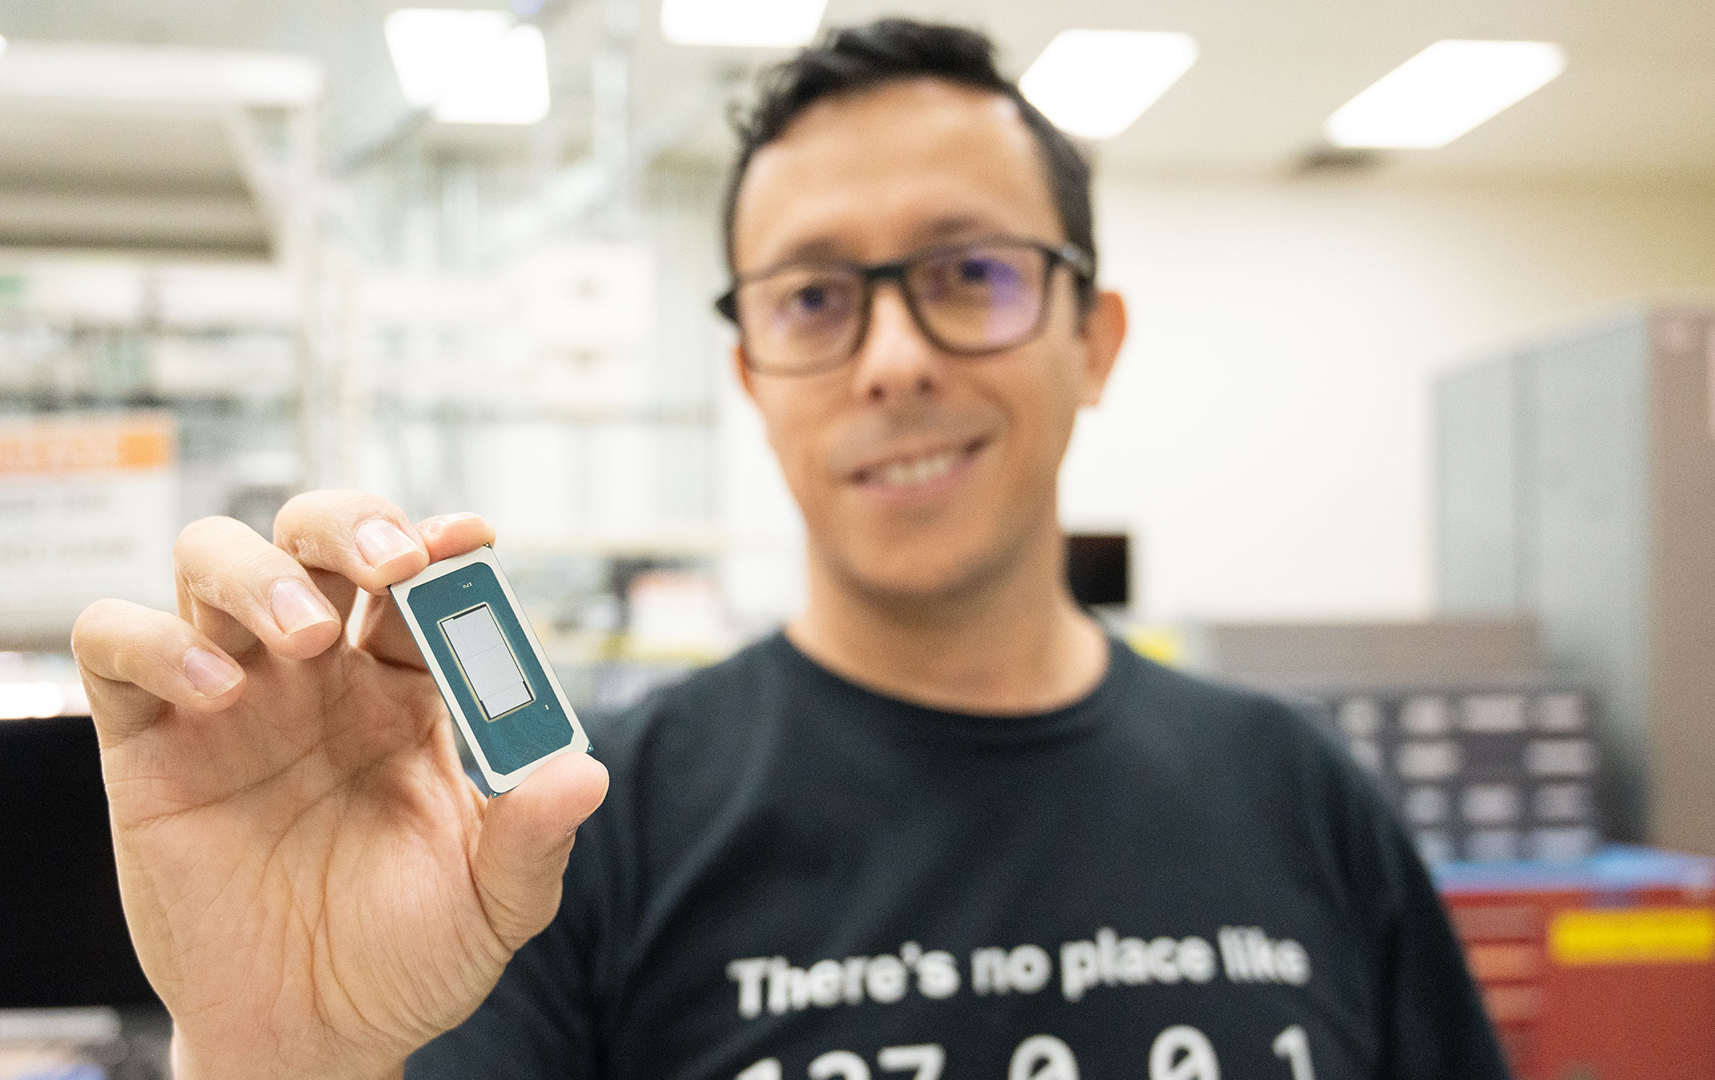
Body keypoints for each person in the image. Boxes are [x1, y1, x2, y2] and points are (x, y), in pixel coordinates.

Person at [73, 18, 1507, 1080]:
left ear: (1095, 341)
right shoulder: (563, 834)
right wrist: (280, 1053)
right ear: (754, 374)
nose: (892, 358)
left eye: (971, 275)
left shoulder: (1301, 793)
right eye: (816, 298)